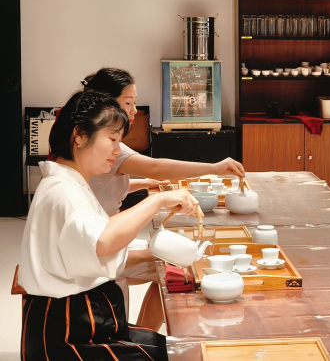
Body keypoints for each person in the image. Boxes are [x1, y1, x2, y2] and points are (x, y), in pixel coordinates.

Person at [19, 90, 201, 360]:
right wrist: (158, 200)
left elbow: (86, 251)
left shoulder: (67, 182)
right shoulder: (64, 191)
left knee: (182, 347)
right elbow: (102, 241)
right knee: (187, 354)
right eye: (113, 139)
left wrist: (150, 253)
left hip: (76, 320)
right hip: (72, 334)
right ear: (80, 135)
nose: (117, 150)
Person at [80, 67, 245, 330]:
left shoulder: (94, 146)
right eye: (128, 103)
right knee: (175, 270)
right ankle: (140, 338)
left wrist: (143, 183)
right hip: (99, 246)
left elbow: (99, 186)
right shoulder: (107, 147)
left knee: (173, 270)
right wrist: (214, 168)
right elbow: (156, 166)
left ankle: (144, 335)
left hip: (103, 238)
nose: (134, 111)